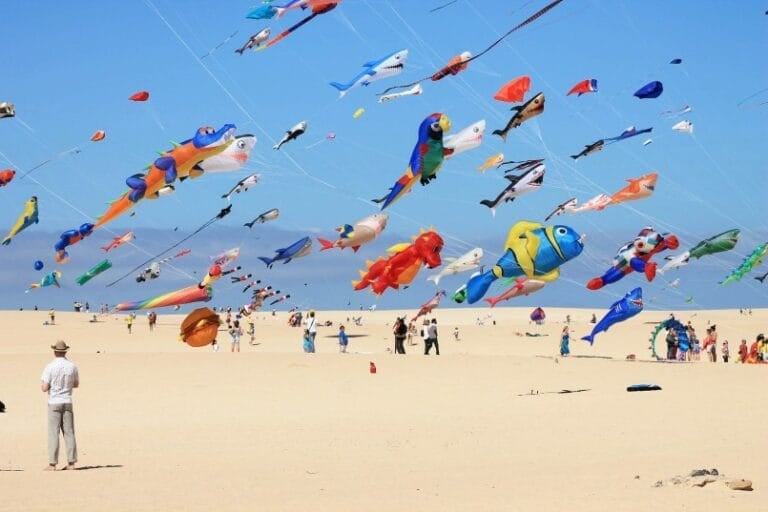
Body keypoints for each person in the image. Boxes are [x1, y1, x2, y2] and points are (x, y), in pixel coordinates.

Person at [41, 340, 79, 470]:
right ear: (65, 351)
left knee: (53, 433)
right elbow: (76, 384)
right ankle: (71, 463)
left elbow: (44, 388)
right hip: (67, 400)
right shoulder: (72, 366)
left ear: (55, 351)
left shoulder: (50, 367)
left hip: (54, 402)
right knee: (69, 432)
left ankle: (52, 463)